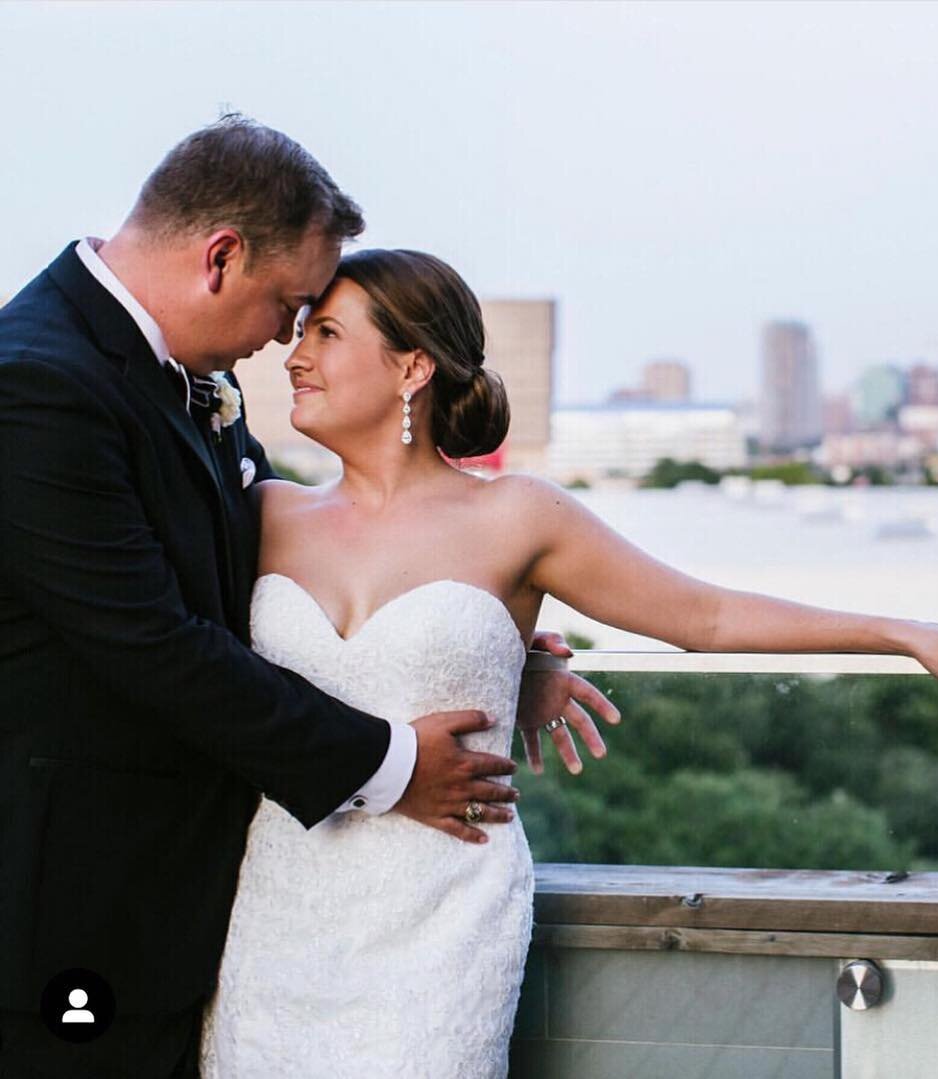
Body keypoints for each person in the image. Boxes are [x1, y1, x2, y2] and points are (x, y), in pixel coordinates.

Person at [200, 247, 938, 1077]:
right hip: (280, 915)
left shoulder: (518, 516)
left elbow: (705, 615)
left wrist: (904, 632)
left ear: (411, 366)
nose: (295, 353)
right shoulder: (263, 510)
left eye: (327, 334)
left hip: (437, 915)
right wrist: (519, 662)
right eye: (302, 330)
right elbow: (182, 656)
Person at [0, 118, 611, 1078]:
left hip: (190, 925)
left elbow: (240, 575)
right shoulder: (36, 381)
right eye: (290, 305)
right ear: (220, 258)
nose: (284, 340)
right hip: (58, 923)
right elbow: (152, 641)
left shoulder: (167, 380)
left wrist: (495, 646)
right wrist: (392, 760)